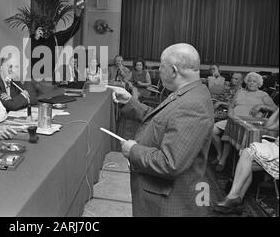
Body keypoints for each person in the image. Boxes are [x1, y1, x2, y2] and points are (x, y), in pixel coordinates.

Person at [109, 43, 214, 217]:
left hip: (166, 203)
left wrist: (133, 150)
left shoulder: (193, 105)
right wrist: (130, 102)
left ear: (173, 71)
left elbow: (170, 163)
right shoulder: (189, 91)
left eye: (161, 66)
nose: (158, 70)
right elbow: (163, 119)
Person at [212, 108, 279, 214]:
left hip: (277, 154)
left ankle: (233, 197)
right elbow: (269, 126)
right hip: (275, 150)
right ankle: (236, 199)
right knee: (246, 157)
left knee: (246, 153)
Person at [212, 72, 277, 172]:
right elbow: (231, 105)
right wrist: (230, 114)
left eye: (254, 82)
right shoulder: (240, 92)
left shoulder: (263, 95)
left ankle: (223, 160)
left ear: (259, 84)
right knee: (212, 130)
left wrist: (261, 106)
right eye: (249, 81)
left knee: (231, 132)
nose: (251, 83)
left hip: (248, 123)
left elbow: (275, 109)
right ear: (246, 82)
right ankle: (220, 154)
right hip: (234, 119)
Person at [30, 7, 84, 81]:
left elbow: (72, 29)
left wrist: (77, 16)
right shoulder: (33, 38)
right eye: (43, 29)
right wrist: (36, 38)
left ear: (52, 28)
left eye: (48, 28)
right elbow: (28, 55)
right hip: (32, 78)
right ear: (38, 29)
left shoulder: (57, 38)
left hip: (48, 79)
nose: (46, 31)